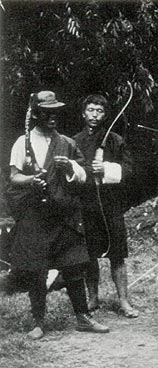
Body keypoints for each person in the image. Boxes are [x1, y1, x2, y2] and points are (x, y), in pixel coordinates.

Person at [8, 91, 109, 339]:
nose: (52, 117)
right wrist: (32, 180)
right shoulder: (23, 143)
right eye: (46, 112)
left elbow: (85, 174)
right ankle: (39, 322)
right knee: (37, 271)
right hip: (36, 214)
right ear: (36, 114)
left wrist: (70, 168)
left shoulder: (67, 143)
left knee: (74, 266)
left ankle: (83, 317)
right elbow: (13, 176)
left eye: (55, 112)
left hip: (64, 213)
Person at [73, 94, 138, 318]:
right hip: (86, 204)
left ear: (105, 115)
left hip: (110, 204)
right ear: (83, 113)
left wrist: (107, 169)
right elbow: (72, 171)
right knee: (89, 255)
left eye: (99, 111)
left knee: (117, 254)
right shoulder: (75, 141)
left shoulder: (115, 140)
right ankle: (92, 297)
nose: (94, 115)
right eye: (90, 110)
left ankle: (124, 301)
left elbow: (128, 169)